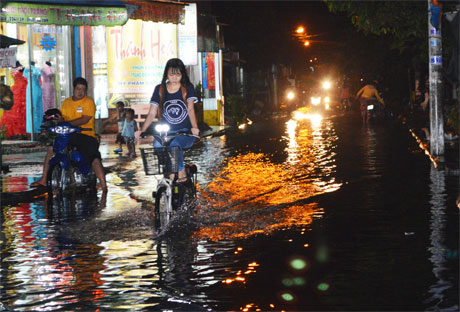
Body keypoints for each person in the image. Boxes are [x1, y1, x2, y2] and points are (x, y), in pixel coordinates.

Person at [31, 77, 107, 192]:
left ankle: (103, 184)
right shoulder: (66, 102)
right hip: (67, 135)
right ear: (73, 89)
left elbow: (84, 119)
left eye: (83, 89)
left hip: (85, 135)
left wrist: (66, 123)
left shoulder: (89, 102)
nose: (80, 92)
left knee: (94, 158)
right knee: (52, 149)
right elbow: (62, 119)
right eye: (78, 89)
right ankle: (44, 179)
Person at [135, 58, 199, 182]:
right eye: (171, 74)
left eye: (178, 74)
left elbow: (190, 110)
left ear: (182, 74)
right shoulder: (159, 89)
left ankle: (181, 174)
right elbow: (152, 112)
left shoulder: (187, 88)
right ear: (166, 74)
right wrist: (141, 130)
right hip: (167, 133)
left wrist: (194, 128)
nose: (174, 78)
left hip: (185, 132)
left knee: (174, 145)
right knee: (157, 145)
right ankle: (170, 172)